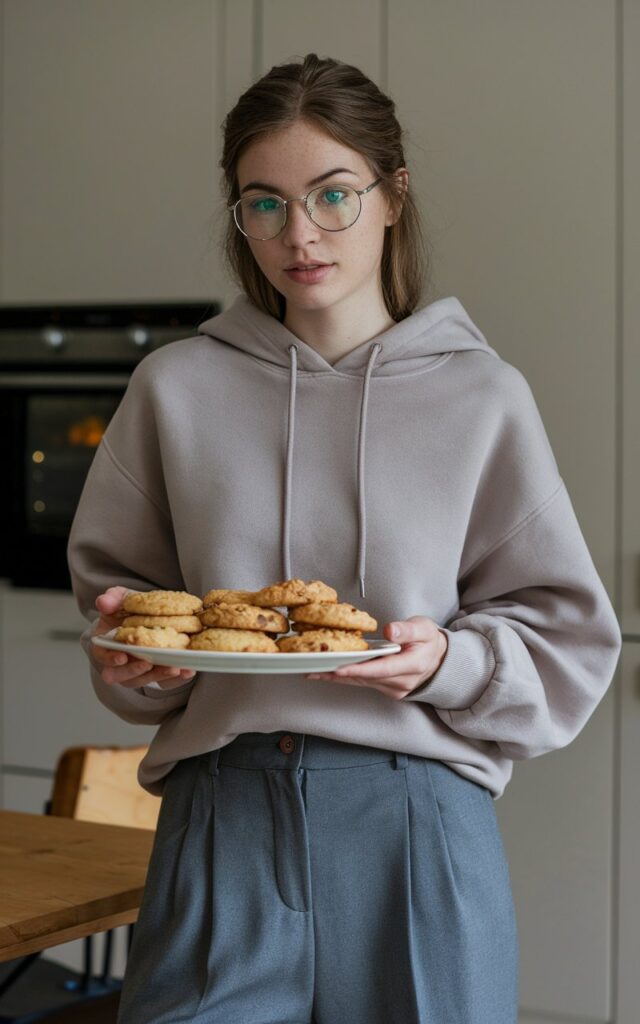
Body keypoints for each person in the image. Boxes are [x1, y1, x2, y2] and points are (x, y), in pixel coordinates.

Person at [67, 53, 622, 1024]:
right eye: (264, 203)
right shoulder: (175, 389)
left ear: (393, 195)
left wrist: (443, 659)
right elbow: (125, 612)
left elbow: (567, 642)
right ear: (237, 214)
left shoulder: (482, 397)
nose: (300, 234)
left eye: (333, 195)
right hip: (220, 814)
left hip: (416, 823)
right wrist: (135, 664)